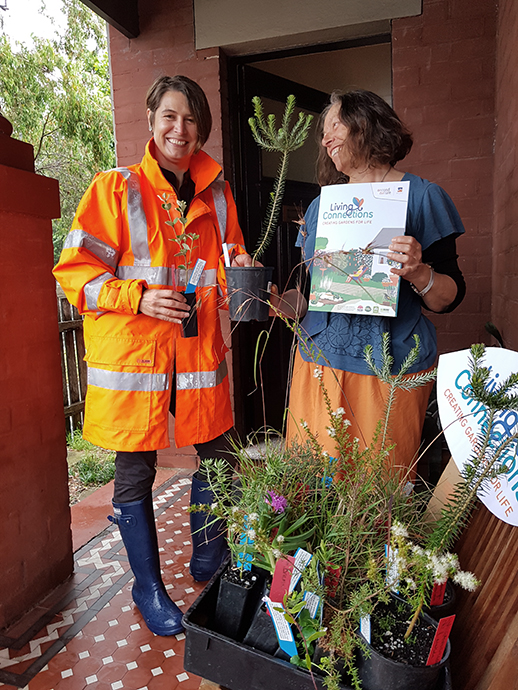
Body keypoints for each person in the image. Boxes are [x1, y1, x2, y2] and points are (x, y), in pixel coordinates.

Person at [53, 75, 253, 636]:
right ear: (149, 119)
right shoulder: (114, 189)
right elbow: (75, 274)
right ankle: (148, 588)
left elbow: (231, 254)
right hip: (135, 360)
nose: (179, 129)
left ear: (201, 128)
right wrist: (137, 295)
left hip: (194, 353)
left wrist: (241, 270)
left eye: (190, 119)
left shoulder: (217, 192)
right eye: (169, 116)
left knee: (217, 452)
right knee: (135, 472)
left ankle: (209, 558)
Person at [274, 90, 466, 479]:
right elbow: (311, 297)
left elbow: (450, 296)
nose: (326, 139)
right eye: (323, 133)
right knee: (312, 489)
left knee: (379, 494)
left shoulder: (423, 198)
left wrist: (418, 272)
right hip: (318, 367)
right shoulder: (319, 207)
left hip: (390, 370)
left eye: (335, 126)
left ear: (368, 124)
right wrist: (277, 301)